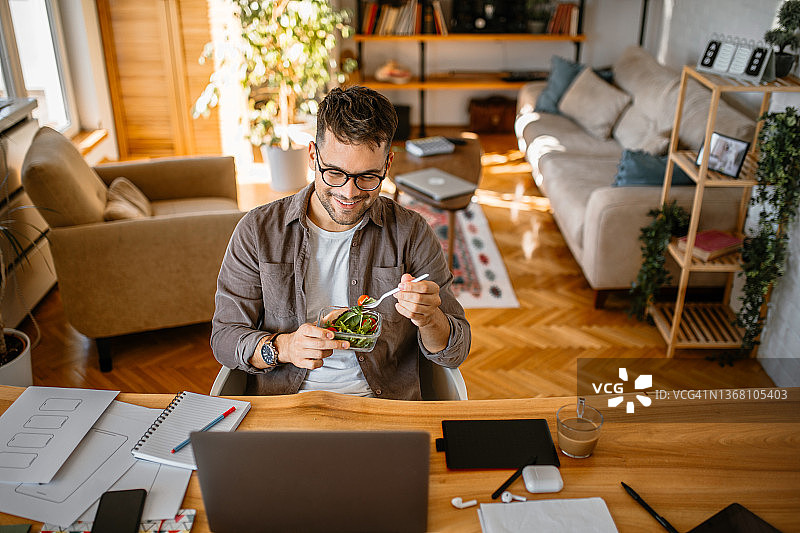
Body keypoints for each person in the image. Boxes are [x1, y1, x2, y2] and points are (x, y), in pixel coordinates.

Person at [211, 86, 470, 399]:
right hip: (286, 405)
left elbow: (455, 352)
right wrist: (283, 348)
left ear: (387, 165)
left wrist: (429, 319)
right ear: (312, 156)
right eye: (334, 173)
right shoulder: (257, 231)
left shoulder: (411, 232)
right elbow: (224, 338)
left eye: (367, 177)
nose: (349, 193)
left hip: (385, 407)